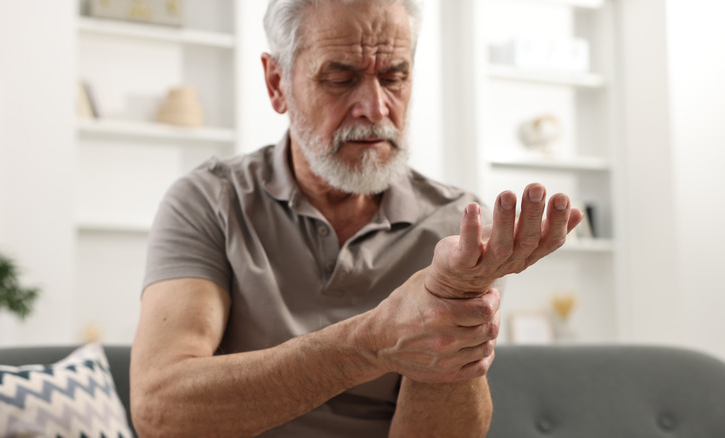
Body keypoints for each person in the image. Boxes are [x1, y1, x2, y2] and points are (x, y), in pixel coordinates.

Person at [130, 0, 583, 436]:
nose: (375, 107)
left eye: (394, 77)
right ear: (276, 83)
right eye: (341, 78)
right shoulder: (209, 200)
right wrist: (374, 340)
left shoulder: (458, 225)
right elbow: (162, 412)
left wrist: (454, 298)